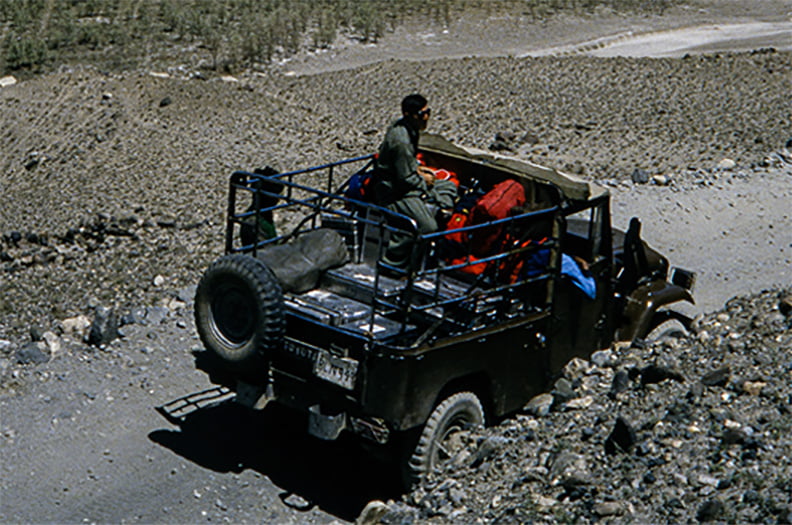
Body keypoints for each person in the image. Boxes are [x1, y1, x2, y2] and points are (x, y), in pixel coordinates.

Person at [373, 94, 455, 271]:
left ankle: (439, 211)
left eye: (428, 112)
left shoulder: (409, 129)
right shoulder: (401, 141)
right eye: (421, 114)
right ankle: (394, 264)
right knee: (428, 227)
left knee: (448, 185)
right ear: (408, 114)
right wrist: (423, 182)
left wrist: (418, 170)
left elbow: (405, 166)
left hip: (407, 179)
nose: (426, 117)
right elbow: (405, 180)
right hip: (395, 192)